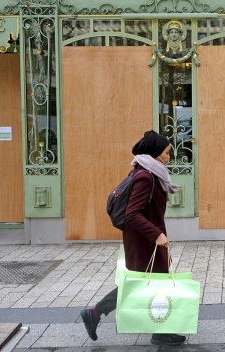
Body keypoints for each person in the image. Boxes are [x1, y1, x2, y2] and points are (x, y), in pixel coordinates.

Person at [80, 130, 185, 346]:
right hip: (143, 240)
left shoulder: (147, 171)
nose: (168, 157)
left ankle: (161, 331)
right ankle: (94, 313)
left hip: (145, 237)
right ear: (155, 154)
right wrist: (156, 234)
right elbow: (133, 213)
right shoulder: (145, 176)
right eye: (166, 153)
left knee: (156, 282)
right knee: (141, 284)